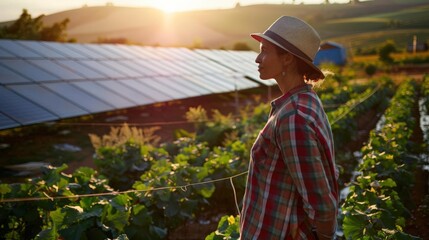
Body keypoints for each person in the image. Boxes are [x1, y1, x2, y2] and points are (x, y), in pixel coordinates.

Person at [240, 16, 339, 239]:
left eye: (265, 51)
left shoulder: (293, 117)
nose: (258, 58)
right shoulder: (305, 100)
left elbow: (321, 203)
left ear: (287, 59)